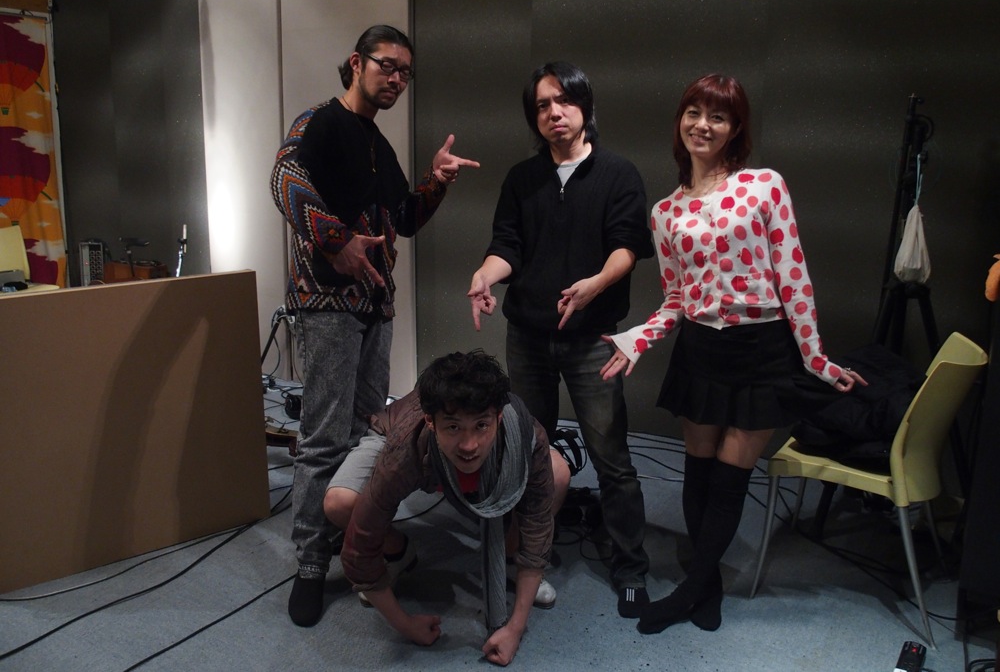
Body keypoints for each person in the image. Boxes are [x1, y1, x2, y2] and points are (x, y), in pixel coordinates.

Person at [601, 74, 867, 635]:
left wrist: (816, 359)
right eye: (693, 112)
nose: (703, 125)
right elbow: (677, 297)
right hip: (701, 348)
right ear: (680, 121)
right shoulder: (665, 212)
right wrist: (637, 339)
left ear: (735, 128)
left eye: (717, 116)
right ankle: (709, 583)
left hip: (763, 349)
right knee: (698, 472)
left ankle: (690, 591)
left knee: (730, 478)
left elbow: (794, 278)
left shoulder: (764, 186)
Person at [270, 24, 480, 627]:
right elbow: (283, 180)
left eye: (405, 72)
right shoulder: (319, 122)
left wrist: (437, 182)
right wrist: (335, 241)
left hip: (374, 309)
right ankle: (312, 562)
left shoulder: (379, 146)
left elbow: (404, 219)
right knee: (323, 438)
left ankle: (354, 541)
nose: (396, 79)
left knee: (370, 435)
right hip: (328, 306)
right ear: (357, 62)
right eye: (387, 65)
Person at [468, 61, 655, 619]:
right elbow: (507, 245)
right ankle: (530, 554)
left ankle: (630, 566)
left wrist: (596, 284)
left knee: (611, 454)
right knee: (528, 451)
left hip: (592, 337)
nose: (554, 113)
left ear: (584, 106)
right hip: (528, 335)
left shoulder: (618, 174)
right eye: (543, 106)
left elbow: (627, 246)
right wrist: (485, 275)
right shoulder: (522, 178)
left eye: (564, 101)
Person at [323, 350, 571, 667]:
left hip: (480, 459)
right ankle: (399, 553)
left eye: (481, 425)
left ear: (498, 418)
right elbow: (359, 547)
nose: (469, 445)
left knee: (558, 474)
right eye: (453, 427)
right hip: (395, 436)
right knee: (340, 502)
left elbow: (537, 526)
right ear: (431, 421)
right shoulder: (405, 450)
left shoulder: (526, 434)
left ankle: (511, 557)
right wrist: (405, 624)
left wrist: (515, 628)